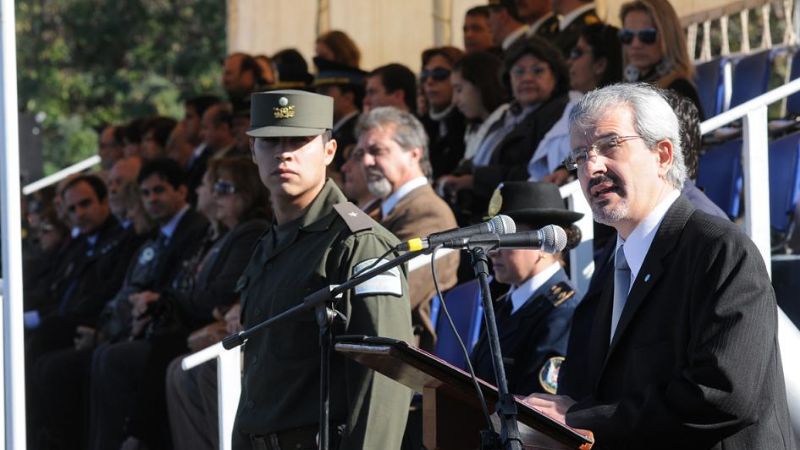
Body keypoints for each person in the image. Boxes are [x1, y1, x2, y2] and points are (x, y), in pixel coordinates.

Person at [524, 83, 795, 448]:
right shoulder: (611, 269)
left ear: (663, 154)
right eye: (579, 156)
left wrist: (580, 420)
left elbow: (722, 394)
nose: (591, 167)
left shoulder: (719, 250)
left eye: (609, 145)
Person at [232, 90, 413, 450]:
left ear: (329, 151)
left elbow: (382, 380)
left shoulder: (360, 243)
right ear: (253, 151)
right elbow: (258, 371)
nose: (283, 152)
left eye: (299, 140)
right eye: (270, 141)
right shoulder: (267, 245)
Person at [354, 106, 460, 350]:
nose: (366, 162)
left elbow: (388, 293)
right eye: (362, 153)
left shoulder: (429, 212)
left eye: (377, 151)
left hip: (400, 359)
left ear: (413, 154)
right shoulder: (385, 210)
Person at [439, 37, 570, 222]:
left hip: (526, 221)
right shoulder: (511, 114)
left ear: (556, 76)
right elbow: (480, 158)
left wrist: (474, 181)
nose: (527, 78)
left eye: (538, 71)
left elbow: (535, 171)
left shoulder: (562, 113)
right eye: (518, 72)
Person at [470, 181, 582, 395]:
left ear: (546, 244)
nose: (492, 252)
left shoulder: (564, 311)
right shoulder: (508, 304)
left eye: (505, 240)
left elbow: (539, 404)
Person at [527, 23, 623, 185]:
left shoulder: (616, 109)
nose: (569, 62)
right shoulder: (575, 104)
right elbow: (575, 157)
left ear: (599, 64)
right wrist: (563, 169)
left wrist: (565, 170)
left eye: (577, 53)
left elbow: (596, 150)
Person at [619, 0, 703, 117]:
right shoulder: (627, 86)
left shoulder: (679, 90)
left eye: (647, 35)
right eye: (627, 35)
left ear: (668, 37)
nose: (635, 44)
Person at [449, 51, 509, 166]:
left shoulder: (508, 123)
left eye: (459, 89)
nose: (454, 100)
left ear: (481, 84)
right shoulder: (473, 128)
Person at [419, 46, 467, 178]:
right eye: (425, 75)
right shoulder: (422, 124)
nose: (430, 81)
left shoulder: (469, 123)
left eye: (439, 74)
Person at [313, 57, 367, 168]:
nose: (318, 98)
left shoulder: (358, 132)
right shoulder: (334, 130)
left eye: (324, 91)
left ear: (347, 98)